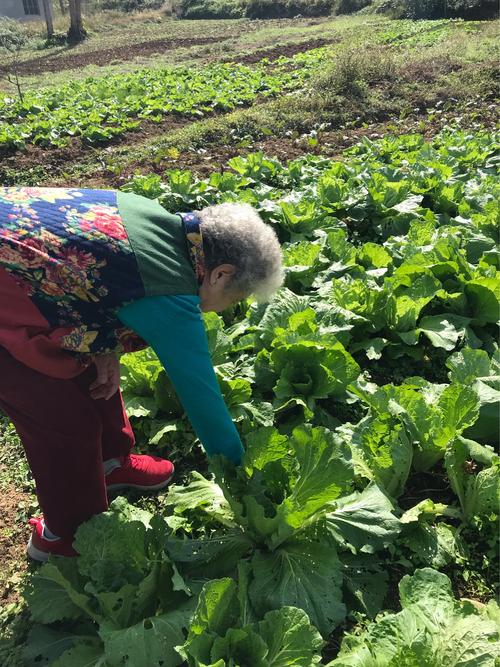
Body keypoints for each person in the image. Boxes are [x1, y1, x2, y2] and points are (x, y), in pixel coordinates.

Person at [0, 187, 283, 561]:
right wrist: (243, 484)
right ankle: (65, 537)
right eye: (238, 296)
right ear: (220, 275)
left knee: (90, 374)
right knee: (64, 421)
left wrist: (105, 349)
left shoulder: (157, 220)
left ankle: (110, 463)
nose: (226, 309)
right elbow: (204, 403)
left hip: (22, 265)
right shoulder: (170, 295)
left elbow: (93, 282)